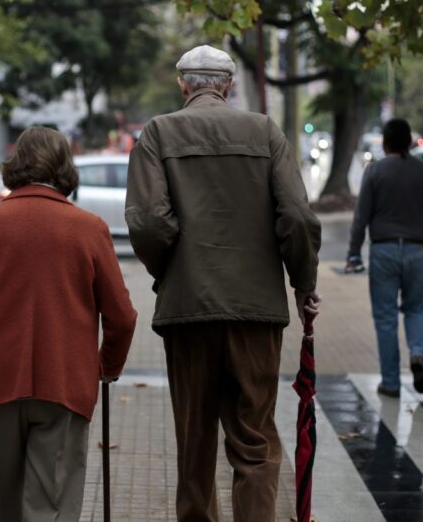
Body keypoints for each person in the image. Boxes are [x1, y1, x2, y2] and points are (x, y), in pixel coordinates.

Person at [125, 45, 322, 522]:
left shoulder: (157, 134)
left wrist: (171, 270)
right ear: (229, 87)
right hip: (256, 314)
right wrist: (302, 284)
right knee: (254, 441)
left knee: (194, 444)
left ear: (183, 85)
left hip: (187, 311)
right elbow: (295, 215)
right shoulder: (265, 132)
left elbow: (149, 223)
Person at [0, 126, 137, 522]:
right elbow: (122, 317)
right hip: (63, 386)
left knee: (6, 505)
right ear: (64, 168)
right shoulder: (89, 228)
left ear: (15, 166)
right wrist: (104, 368)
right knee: (50, 505)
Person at [346, 118, 423, 398]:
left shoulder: (375, 171)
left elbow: (361, 218)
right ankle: (418, 353)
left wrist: (354, 253)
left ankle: (391, 383)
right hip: (418, 251)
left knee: (385, 319)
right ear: (409, 142)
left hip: (383, 251)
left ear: (384, 143)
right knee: (415, 308)